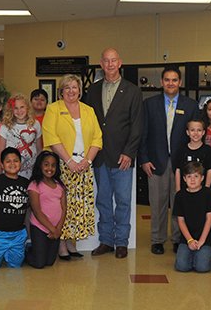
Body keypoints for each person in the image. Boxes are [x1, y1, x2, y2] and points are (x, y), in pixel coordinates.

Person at [82, 48, 143, 259]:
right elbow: (88, 123)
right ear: (101, 64)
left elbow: (137, 125)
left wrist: (129, 152)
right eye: (106, 61)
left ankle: (121, 242)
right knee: (103, 200)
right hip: (99, 155)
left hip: (122, 157)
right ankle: (106, 240)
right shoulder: (93, 90)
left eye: (113, 60)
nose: (110, 64)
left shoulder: (132, 91)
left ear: (120, 63)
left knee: (123, 201)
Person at [139, 67, 199, 255]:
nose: (170, 83)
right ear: (161, 82)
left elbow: (196, 136)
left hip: (183, 164)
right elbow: (143, 134)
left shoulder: (190, 105)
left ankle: (178, 238)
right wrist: (144, 160)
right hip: (156, 162)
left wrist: (193, 164)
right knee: (157, 203)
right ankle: (157, 239)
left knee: (179, 202)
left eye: (174, 80)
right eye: (167, 80)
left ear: (180, 82)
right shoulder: (149, 104)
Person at [43, 74, 102, 258]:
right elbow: (52, 137)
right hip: (61, 164)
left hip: (84, 165)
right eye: (67, 87)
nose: (71, 91)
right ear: (61, 91)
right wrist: (69, 161)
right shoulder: (53, 109)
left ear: (80, 90)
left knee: (79, 206)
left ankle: (72, 243)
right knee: (63, 206)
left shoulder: (88, 110)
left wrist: (87, 161)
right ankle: (61, 244)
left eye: (74, 87)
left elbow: (97, 138)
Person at [0, 147, 31, 268]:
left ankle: (9, 253)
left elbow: (29, 209)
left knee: (15, 265)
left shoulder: (26, 183)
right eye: (8, 161)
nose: (12, 164)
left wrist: (27, 233)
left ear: (20, 163)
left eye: (16, 160)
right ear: (2, 165)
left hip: (18, 233)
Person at [173, 162, 211, 273]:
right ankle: (191, 257)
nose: (192, 180)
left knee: (202, 268)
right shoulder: (180, 196)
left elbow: (209, 219)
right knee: (181, 267)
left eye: (196, 176)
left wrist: (201, 241)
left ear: (202, 178)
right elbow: (181, 221)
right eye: (189, 176)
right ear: (184, 179)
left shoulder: (208, 194)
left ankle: (199, 257)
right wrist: (190, 240)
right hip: (186, 239)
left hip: (204, 239)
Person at [26, 151, 67, 268]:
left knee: (50, 262)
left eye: (53, 165)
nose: (50, 168)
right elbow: (37, 211)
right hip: (40, 227)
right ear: (40, 166)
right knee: (39, 264)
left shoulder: (60, 186)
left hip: (55, 229)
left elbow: (64, 209)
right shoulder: (34, 185)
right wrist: (52, 229)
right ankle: (27, 251)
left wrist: (57, 229)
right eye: (46, 164)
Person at [0, 93, 42, 179]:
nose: (19, 111)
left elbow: (39, 149)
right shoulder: (6, 126)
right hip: (10, 172)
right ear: (11, 110)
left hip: (31, 172)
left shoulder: (35, 124)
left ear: (27, 108)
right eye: (15, 108)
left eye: (22, 107)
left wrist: (39, 171)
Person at [173, 119, 211, 192]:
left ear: (203, 132)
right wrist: (178, 189)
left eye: (199, 130)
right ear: (187, 132)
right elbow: (178, 170)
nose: (196, 133)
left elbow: (210, 171)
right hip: (184, 191)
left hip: (201, 190)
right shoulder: (181, 150)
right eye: (192, 130)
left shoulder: (208, 150)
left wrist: (206, 190)